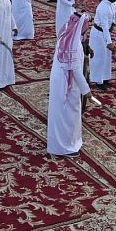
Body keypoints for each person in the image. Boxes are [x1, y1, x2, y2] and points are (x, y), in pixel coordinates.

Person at [46, 11, 92, 157]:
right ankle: (65, 147)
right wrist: (86, 90)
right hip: (67, 83)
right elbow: (75, 69)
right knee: (68, 113)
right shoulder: (73, 44)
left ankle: (64, 144)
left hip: (60, 80)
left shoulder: (66, 37)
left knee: (62, 112)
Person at [89, 0, 116, 89]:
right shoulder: (102, 7)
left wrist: (113, 24)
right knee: (99, 58)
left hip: (105, 33)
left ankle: (105, 78)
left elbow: (113, 16)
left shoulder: (112, 4)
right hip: (98, 34)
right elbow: (104, 26)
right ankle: (97, 81)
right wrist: (109, 42)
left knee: (106, 58)